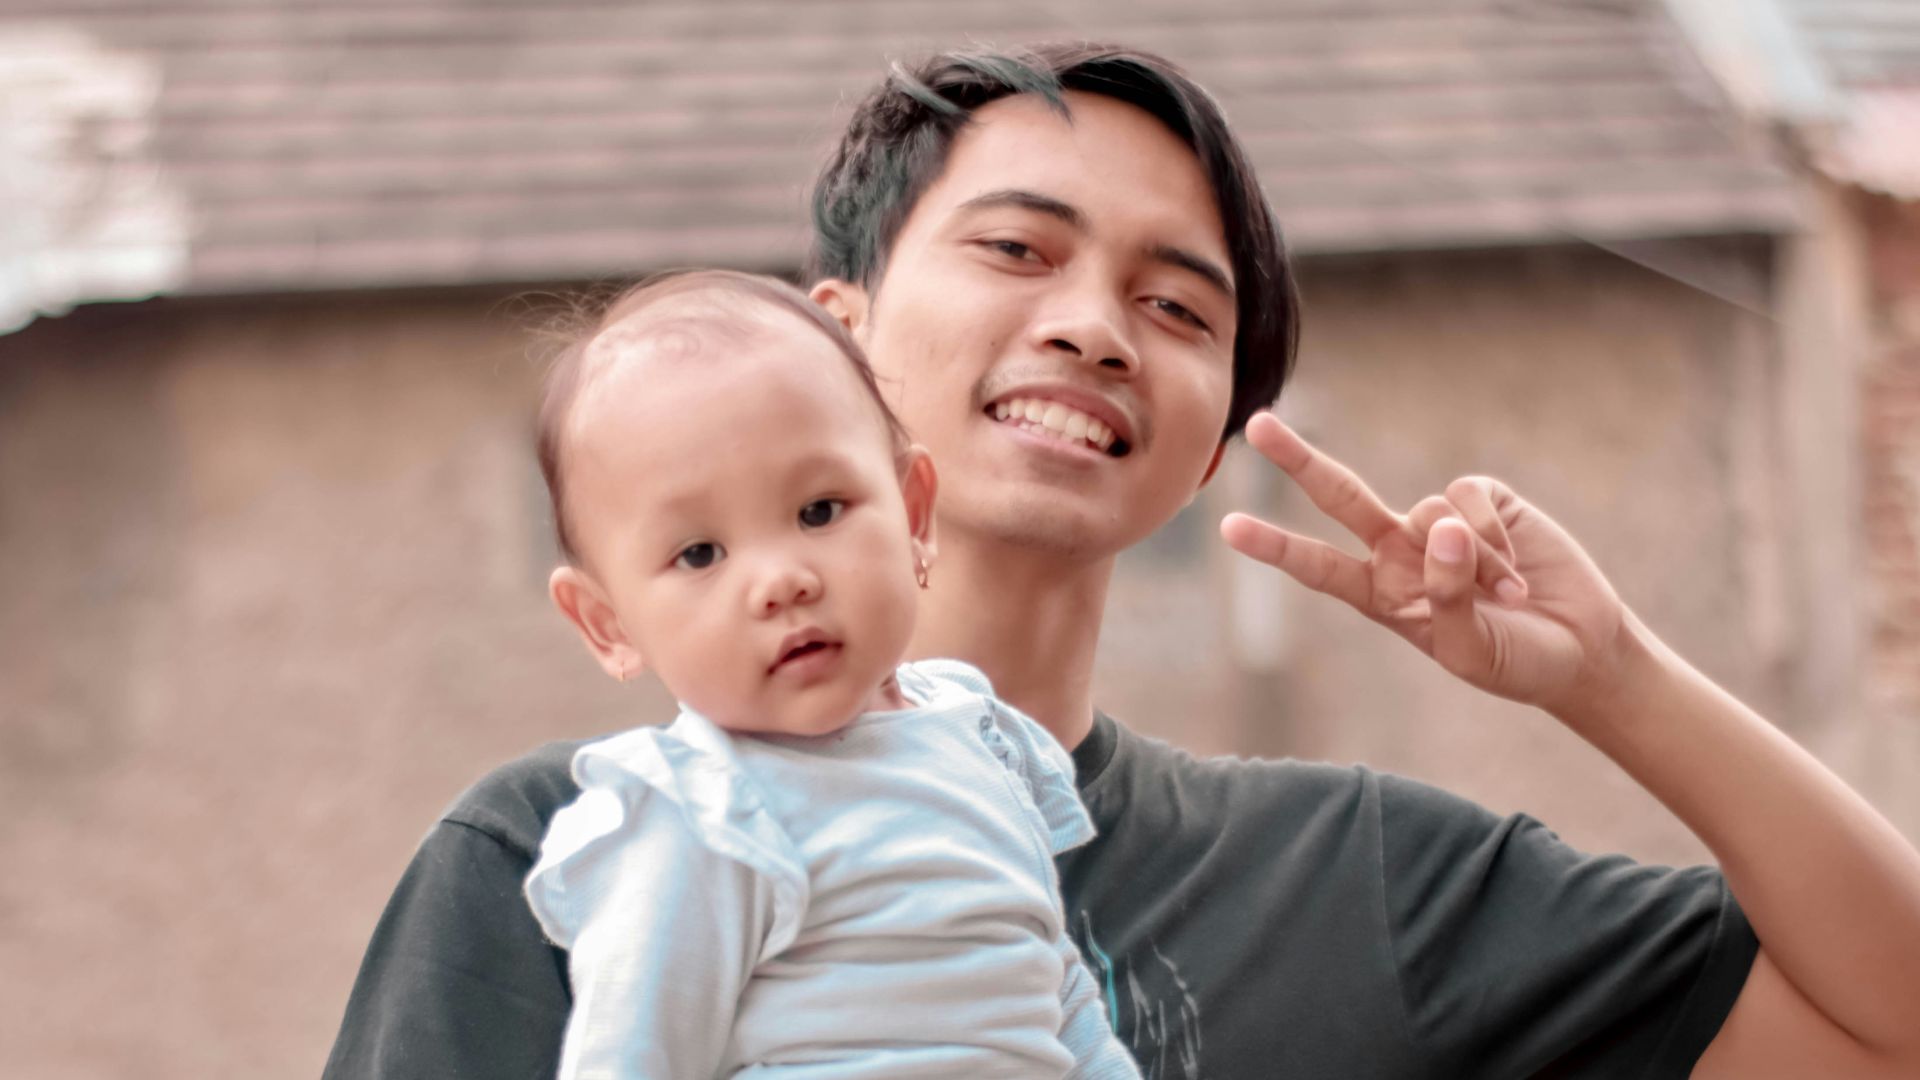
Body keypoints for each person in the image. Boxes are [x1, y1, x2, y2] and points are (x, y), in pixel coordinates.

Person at [324, 43, 1920, 1079]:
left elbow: (1889, 1020)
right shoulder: (568, 849)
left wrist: (1620, 681)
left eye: (1179, 309)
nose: (1094, 325)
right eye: (1017, 250)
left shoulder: (1361, 881)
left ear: (1216, 435)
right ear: (843, 334)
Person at [518, 268, 1137, 1078]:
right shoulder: (701, 810)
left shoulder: (980, 742)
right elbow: (632, 1059)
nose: (782, 581)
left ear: (914, 516)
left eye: (819, 512)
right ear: (609, 623)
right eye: (700, 553)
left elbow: (1053, 991)